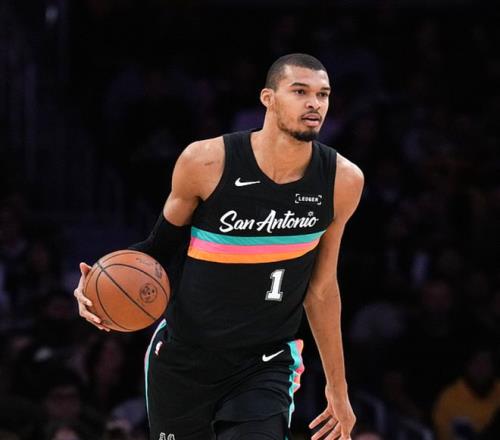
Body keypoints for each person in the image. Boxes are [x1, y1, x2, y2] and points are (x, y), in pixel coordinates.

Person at [74, 53, 364, 440]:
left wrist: (337, 388)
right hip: (184, 357)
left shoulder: (342, 181)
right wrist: (96, 284)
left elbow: (322, 289)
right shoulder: (206, 162)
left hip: (264, 362)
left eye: (322, 94)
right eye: (300, 91)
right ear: (268, 98)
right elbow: (158, 248)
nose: (314, 103)